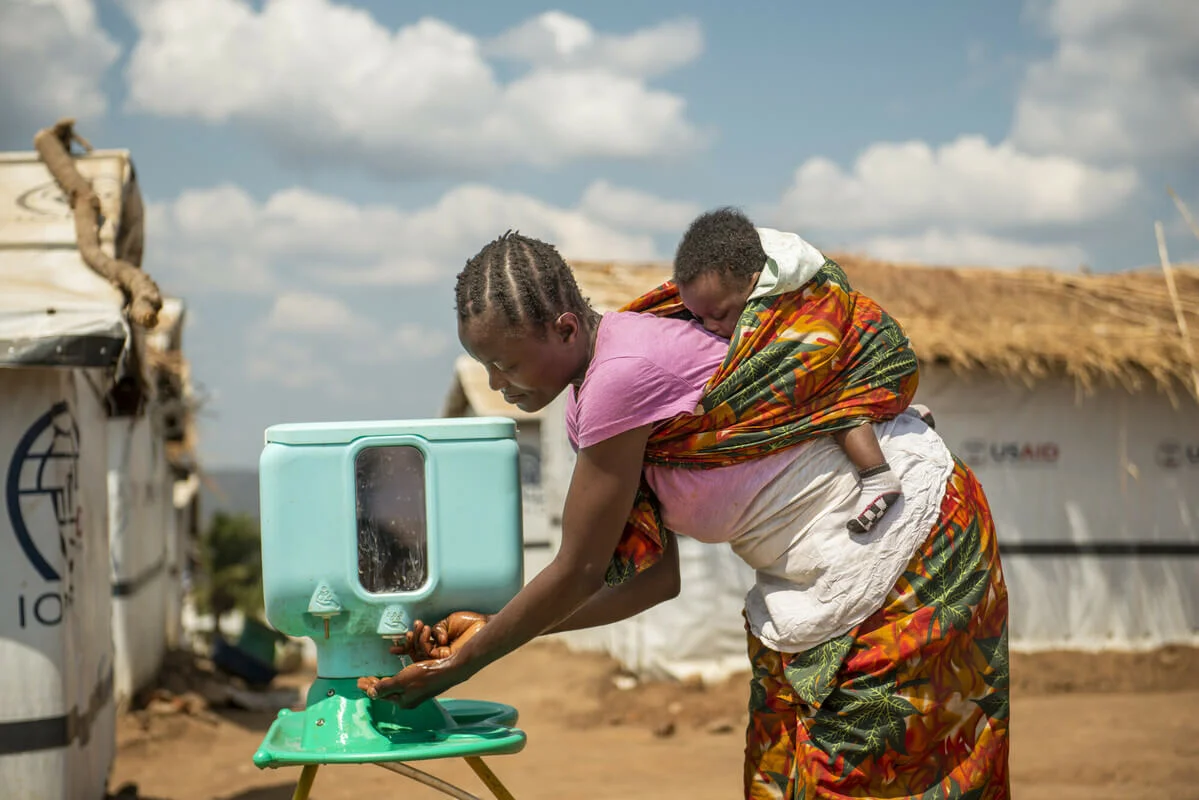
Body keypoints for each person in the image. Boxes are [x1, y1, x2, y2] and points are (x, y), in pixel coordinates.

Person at [359, 232, 1010, 798]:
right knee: (785, 776)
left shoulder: (620, 376)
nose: (498, 384)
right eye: (485, 367)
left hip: (908, 557)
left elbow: (580, 568)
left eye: (504, 362)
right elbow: (648, 580)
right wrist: (493, 629)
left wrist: (464, 663)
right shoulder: (598, 396)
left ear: (563, 328)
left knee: (867, 777)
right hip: (828, 577)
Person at [673, 207, 916, 534]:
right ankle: (899, 416)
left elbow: (805, 364)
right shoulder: (757, 270)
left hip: (881, 363)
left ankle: (877, 477)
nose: (711, 327)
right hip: (874, 356)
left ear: (751, 281)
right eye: (701, 318)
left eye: (719, 314)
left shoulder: (784, 301)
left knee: (827, 405)